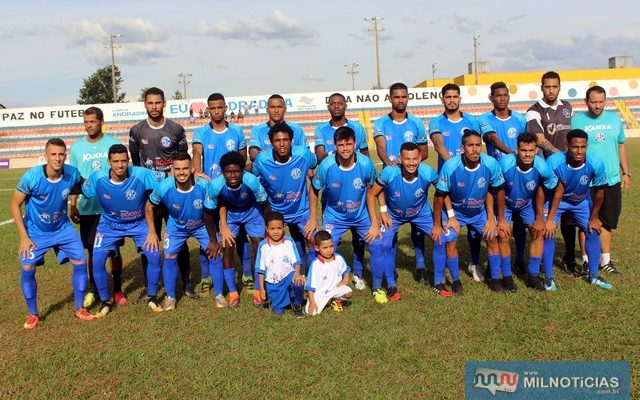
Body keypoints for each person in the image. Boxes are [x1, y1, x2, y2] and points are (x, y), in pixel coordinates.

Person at [11, 138, 93, 329]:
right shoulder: (32, 177)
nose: (58, 158)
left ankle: (79, 308)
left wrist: (75, 204)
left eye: (61, 154)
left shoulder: (72, 172)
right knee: (28, 268)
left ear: (66, 155)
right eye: (53, 154)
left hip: (62, 228)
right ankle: (33, 313)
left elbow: (81, 185)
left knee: (81, 261)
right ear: (46, 156)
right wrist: (24, 237)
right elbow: (15, 204)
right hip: (35, 231)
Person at [129, 87, 196, 301]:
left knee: (179, 237)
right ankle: (151, 287)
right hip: (150, 196)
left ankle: (186, 284)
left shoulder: (175, 129)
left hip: (173, 193)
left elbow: (184, 157)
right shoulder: (137, 131)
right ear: (145, 104)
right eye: (150, 103)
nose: (154, 107)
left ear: (164, 103)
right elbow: (136, 163)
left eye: (158, 103)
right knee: (149, 240)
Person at [365, 142, 455, 302]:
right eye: (407, 159)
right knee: (384, 245)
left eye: (415, 159)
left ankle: (438, 283)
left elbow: (443, 192)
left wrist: (451, 215)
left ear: (420, 158)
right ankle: (391, 285)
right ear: (400, 158)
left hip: (422, 214)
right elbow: (372, 194)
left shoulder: (428, 172)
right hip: (394, 215)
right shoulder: (389, 172)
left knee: (441, 239)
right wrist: (382, 213)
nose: (411, 163)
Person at [81, 144, 161, 314]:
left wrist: (195, 174)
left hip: (138, 223)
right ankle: (105, 301)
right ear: (108, 161)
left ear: (128, 161)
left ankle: (152, 297)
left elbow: (169, 176)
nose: (120, 165)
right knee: (97, 261)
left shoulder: (141, 174)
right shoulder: (97, 178)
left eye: (123, 161)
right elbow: (79, 188)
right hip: (109, 225)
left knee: (154, 255)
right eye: (115, 161)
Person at [432, 130, 509, 293]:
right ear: (462, 148)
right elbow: (440, 195)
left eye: (477, 145)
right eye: (470, 145)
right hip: (455, 212)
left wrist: (494, 219)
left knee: (492, 237)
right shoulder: (450, 166)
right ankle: (456, 280)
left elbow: (498, 191)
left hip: (478, 212)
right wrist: (444, 221)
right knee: (451, 239)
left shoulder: (490, 164)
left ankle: (494, 279)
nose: (474, 149)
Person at [144, 153, 219, 312]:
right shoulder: (164, 187)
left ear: (192, 169)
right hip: (176, 227)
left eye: (185, 168)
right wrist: (152, 232)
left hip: (201, 225)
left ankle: (219, 294)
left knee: (215, 253)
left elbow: (217, 206)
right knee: (169, 255)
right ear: (172, 170)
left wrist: (221, 228)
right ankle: (170, 297)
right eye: (177, 169)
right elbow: (148, 207)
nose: (181, 172)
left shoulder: (204, 184)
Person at [192, 93, 251, 292]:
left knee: (240, 234)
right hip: (212, 190)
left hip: (233, 189)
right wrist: (198, 171)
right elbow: (197, 154)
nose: (216, 111)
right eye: (212, 108)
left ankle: (247, 274)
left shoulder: (237, 131)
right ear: (208, 110)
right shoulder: (201, 133)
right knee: (209, 233)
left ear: (225, 108)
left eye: (219, 107)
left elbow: (242, 160)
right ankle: (207, 276)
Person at [542, 129, 612, 291]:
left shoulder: (596, 163)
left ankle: (593, 276)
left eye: (583, 147)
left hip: (581, 201)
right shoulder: (554, 162)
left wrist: (594, 217)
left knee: (593, 230)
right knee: (548, 232)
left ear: (587, 146)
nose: (579, 151)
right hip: (555, 200)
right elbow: (552, 190)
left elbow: (600, 192)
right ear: (567, 146)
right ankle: (548, 277)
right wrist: (550, 218)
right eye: (575, 147)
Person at [373, 82, 430, 283]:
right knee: (390, 224)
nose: (400, 100)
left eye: (404, 96)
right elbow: (381, 147)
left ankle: (421, 266)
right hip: (391, 181)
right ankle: (392, 267)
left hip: (413, 179)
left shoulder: (416, 123)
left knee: (417, 226)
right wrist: (389, 162)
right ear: (389, 98)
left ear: (408, 98)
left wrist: (409, 165)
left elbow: (425, 152)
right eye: (396, 97)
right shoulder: (380, 123)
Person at [69, 107, 125, 308]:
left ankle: (118, 289)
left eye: (92, 122)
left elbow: (122, 174)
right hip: (87, 209)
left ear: (101, 121)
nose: (88, 126)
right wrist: (73, 204)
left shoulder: (113, 144)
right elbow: (75, 179)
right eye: (85, 122)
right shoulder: (76, 148)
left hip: (111, 208)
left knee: (114, 250)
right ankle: (94, 290)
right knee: (93, 250)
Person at [571, 85, 631, 275]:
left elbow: (620, 146)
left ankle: (606, 261)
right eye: (594, 102)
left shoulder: (614, 119)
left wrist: (626, 172)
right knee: (585, 222)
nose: (597, 106)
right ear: (586, 101)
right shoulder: (577, 121)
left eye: (601, 102)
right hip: (585, 181)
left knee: (606, 221)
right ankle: (587, 261)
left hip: (611, 180)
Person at [429, 83, 483, 282]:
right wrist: (453, 164)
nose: (452, 100)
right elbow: (438, 144)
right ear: (442, 98)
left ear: (460, 99)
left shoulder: (471, 121)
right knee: (449, 226)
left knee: (474, 225)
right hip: (449, 179)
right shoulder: (436, 122)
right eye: (448, 96)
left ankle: (475, 263)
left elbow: (476, 144)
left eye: (455, 96)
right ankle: (444, 267)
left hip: (471, 176)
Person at [311, 126, 376, 290]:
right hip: (335, 216)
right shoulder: (326, 165)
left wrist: (378, 217)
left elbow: (374, 188)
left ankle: (361, 275)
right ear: (334, 146)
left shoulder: (366, 163)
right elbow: (314, 189)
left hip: (360, 215)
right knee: (322, 245)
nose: (345, 148)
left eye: (348, 144)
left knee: (379, 245)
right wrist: (313, 218)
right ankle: (327, 280)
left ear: (355, 144)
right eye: (341, 145)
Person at [525, 71, 576, 275]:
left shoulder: (567, 107)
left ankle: (569, 258)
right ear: (542, 87)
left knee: (569, 215)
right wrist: (561, 155)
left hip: (569, 170)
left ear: (559, 87)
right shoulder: (534, 111)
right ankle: (540, 262)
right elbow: (539, 139)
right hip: (547, 172)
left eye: (555, 86)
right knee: (545, 216)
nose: (551, 90)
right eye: (547, 87)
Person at [205, 151, 268, 308]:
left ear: (242, 171)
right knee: (227, 247)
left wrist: (269, 227)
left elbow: (265, 204)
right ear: (222, 172)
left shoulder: (251, 181)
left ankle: (259, 289)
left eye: (236, 171)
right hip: (231, 215)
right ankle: (233, 292)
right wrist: (213, 239)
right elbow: (207, 213)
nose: (233, 175)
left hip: (252, 212)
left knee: (259, 245)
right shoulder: (215, 186)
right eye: (228, 172)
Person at [251, 122, 318, 270]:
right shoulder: (262, 160)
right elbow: (252, 174)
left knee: (314, 240)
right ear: (271, 143)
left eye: (285, 140)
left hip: (301, 210)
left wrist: (313, 218)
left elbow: (314, 164)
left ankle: (312, 279)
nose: (282, 144)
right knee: (269, 245)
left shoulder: (304, 154)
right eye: (277, 140)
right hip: (275, 212)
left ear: (291, 141)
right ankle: (271, 276)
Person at [497, 133, 559, 291]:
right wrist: (502, 218)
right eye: (524, 150)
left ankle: (532, 274)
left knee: (538, 231)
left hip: (526, 204)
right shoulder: (505, 164)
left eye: (531, 150)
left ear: (537, 150)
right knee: (503, 234)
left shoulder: (542, 166)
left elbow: (542, 188)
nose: (527, 154)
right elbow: (497, 190)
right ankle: (507, 276)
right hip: (507, 203)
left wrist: (540, 218)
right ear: (517, 149)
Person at [479, 82, 528, 274]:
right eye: (498, 95)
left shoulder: (519, 118)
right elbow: (491, 138)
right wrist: (512, 155)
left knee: (520, 222)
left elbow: (527, 142)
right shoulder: (484, 118)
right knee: (498, 221)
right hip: (496, 177)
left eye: (505, 95)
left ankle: (520, 260)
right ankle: (495, 265)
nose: (502, 98)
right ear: (491, 98)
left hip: (519, 176)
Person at [256, 211, 305, 318]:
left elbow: (297, 261)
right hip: (273, 282)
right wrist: (261, 288)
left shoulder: (289, 241)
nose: (276, 232)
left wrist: (297, 274)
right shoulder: (263, 246)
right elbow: (260, 270)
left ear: (284, 228)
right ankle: (284, 299)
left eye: (279, 228)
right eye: (272, 229)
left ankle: (297, 303)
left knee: (299, 282)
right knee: (279, 313)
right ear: (267, 229)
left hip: (289, 275)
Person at [305, 231, 353, 315]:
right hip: (320, 293)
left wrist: (345, 280)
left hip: (334, 289)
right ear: (317, 248)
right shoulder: (315, 265)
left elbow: (346, 269)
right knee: (311, 313)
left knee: (349, 293)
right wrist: (312, 302)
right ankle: (312, 300)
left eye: (331, 246)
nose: (329, 250)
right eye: (325, 247)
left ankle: (335, 300)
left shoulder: (339, 258)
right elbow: (310, 287)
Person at [248, 94, 307, 162]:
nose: (276, 110)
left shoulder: (297, 129)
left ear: (285, 109)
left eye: (279, 107)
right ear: (267, 110)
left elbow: (305, 153)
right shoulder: (257, 130)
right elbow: (253, 155)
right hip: (267, 170)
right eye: (272, 107)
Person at [315, 92, 369, 162]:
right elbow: (319, 157)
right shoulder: (321, 129)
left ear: (345, 106)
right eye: (333, 104)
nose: (336, 106)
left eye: (340, 104)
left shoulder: (358, 128)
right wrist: (336, 153)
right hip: (330, 171)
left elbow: (365, 155)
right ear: (328, 107)